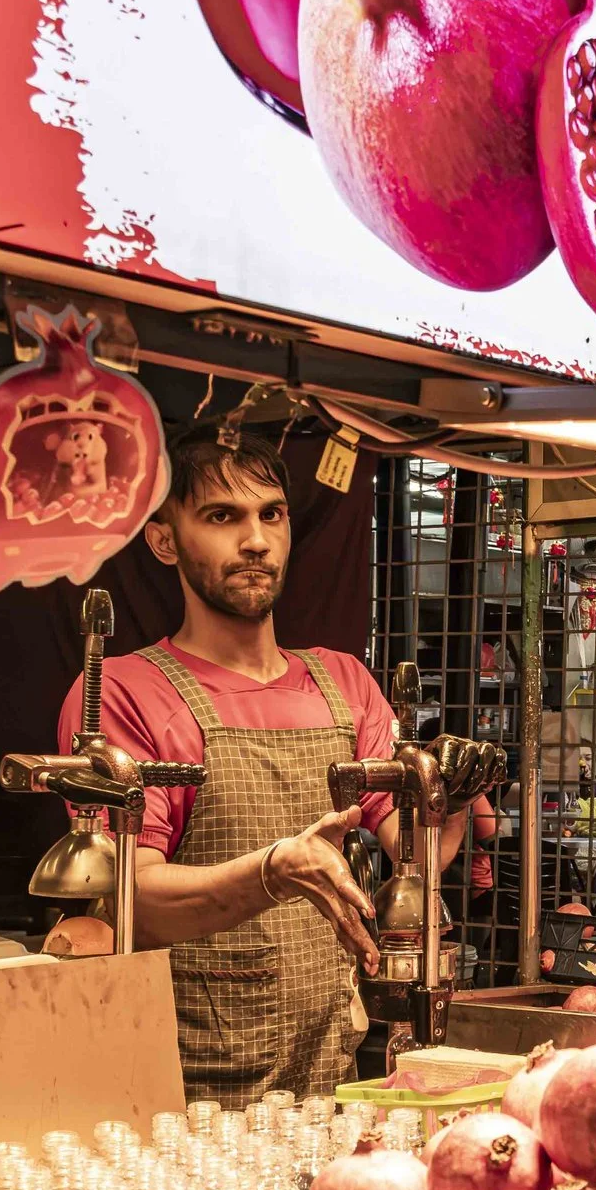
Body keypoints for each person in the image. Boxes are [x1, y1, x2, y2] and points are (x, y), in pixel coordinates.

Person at [55, 429, 470, 1106]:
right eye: (222, 516)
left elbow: (415, 854)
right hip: (186, 1097)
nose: (255, 540)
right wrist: (273, 871)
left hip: (331, 1083)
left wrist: (448, 795)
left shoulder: (344, 683)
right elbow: (131, 899)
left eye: (270, 514)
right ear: (164, 539)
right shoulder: (128, 693)